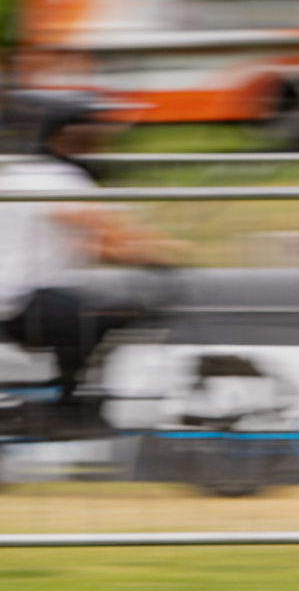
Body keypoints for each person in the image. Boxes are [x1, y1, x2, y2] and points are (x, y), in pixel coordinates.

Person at [0, 92, 181, 424]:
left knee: (88, 314)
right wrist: (163, 253)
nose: (102, 140)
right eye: (92, 131)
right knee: (118, 313)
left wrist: (129, 250)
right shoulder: (59, 179)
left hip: (17, 300)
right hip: (27, 301)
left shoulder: (18, 174)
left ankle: (64, 393)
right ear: (65, 134)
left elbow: (92, 244)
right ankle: (67, 402)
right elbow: (105, 234)